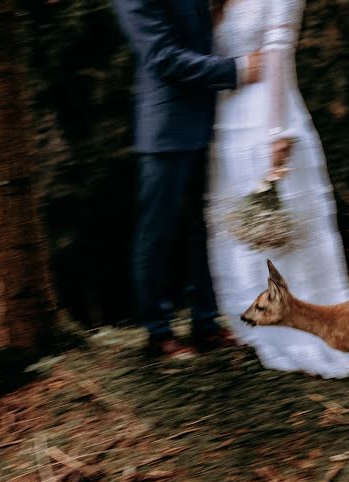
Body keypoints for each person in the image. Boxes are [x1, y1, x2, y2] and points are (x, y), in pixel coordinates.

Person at [207, 0, 349, 379]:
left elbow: (278, 56)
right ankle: (256, 323)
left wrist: (277, 130)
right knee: (245, 231)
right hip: (227, 122)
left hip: (265, 116)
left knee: (287, 230)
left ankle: (308, 328)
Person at [110, 0, 262, 358]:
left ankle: (206, 323)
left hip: (210, 121)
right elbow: (163, 58)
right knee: (158, 232)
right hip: (166, 130)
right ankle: (158, 332)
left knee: (203, 228)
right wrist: (235, 70)